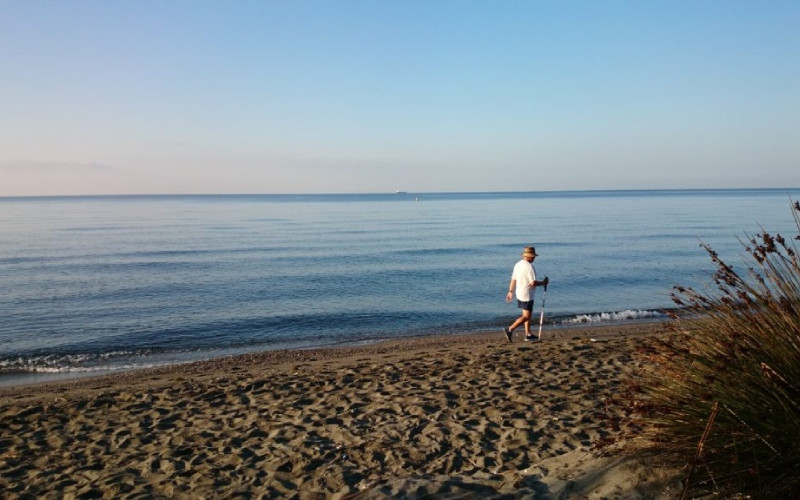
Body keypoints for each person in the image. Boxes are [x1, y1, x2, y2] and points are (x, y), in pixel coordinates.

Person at [504, 246, 548, 342]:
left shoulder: (518, 264)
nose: (534, 258)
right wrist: (543, 283)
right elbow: (533, 283)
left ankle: (528, 334)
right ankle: (510, 329)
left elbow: (513, 279)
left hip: (519, 293)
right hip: (527, 294)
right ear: (529, 257)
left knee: (527, 314)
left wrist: (510, 291)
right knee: (526, 316)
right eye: (533, 257)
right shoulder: (529, 267)